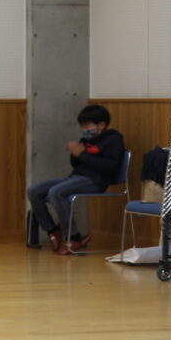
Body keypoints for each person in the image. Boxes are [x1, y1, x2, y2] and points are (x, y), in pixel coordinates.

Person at [27, 105, 126, 254]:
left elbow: (109, 167)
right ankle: (52, 229)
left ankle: (73, 236)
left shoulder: (113, 140)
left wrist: (82, 154)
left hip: (96, 181)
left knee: (55, 192)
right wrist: (74, 154)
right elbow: (76, 165)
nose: (84, 129)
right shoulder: (85, 140)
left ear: (101, 125)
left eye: (87, 126)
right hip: (76, 177)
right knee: (34, 191)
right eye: (82, 126)